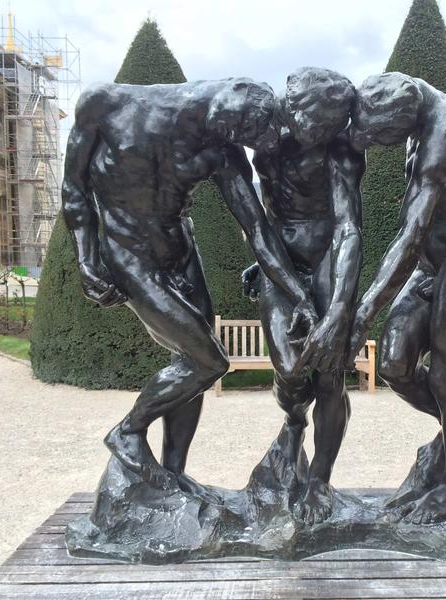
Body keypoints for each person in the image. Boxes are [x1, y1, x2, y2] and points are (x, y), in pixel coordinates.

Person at [62, 78, 318, 500]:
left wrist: (297, 294)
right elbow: (75, 188)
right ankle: (127, 432)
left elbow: (257, 228)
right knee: (208, 361)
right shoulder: (106, 105)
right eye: (240, 136)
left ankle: (174, 475)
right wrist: (87, 259)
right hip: (128, 254)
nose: (238, 146)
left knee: (191, 360)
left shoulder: (222, 149)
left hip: (181, 251)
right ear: (223, 111)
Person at [347, 73, 446, 524]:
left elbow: (412, 235)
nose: (373, 142)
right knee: (394, 364)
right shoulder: (424, 112)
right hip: (433, 267)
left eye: (379, 135)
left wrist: (362, 313)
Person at [241, 67, 364, 523]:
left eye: (331, 126)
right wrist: (266, 257)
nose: (324, 132)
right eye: (318, 124)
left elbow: (349, 228)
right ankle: (294, 421)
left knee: (329, 373)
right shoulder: (263, 132)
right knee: (290, 369)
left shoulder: (341, 151)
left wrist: (336, 311)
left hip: (328, 255)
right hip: (283, 258)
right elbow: (259, 213)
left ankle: (320, 479)